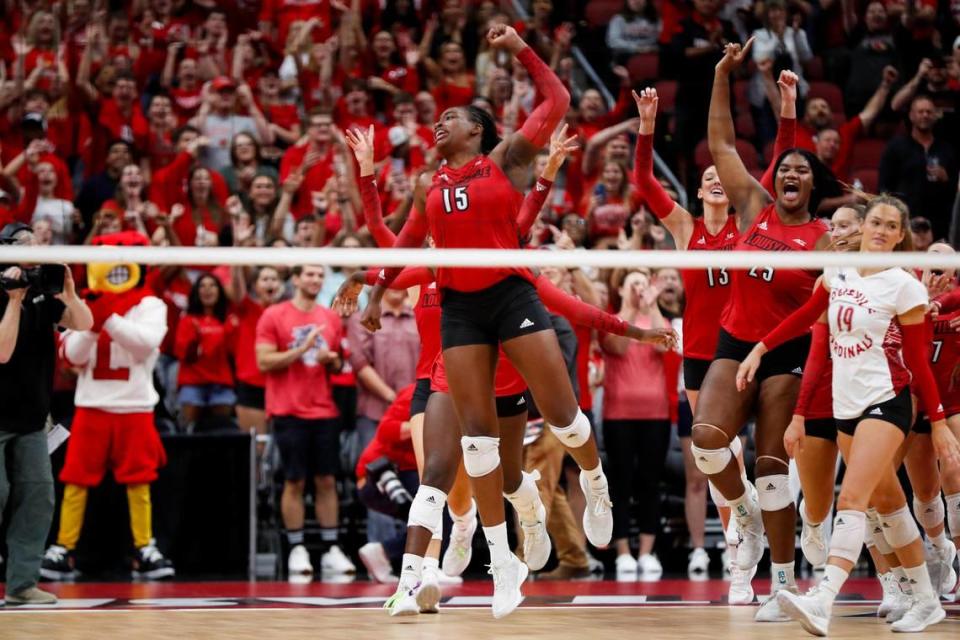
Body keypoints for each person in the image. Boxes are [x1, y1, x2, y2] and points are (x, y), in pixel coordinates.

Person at [360, 25, 614, 618]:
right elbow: (405, 242)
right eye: (438, 118)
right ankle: (504, 564)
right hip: (461, 310)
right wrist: (374, 292)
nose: (440, 123)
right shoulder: (428, 184)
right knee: (478, 444)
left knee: (563, 416)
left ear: (477, 128)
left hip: (511, 299)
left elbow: (556, 101)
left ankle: (595, 482)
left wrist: (519, 47)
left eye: (452, 116)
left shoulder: (504, 160)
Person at [735, 195, 960, 635]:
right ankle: (927, 600)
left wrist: (936, 424)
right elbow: (806, 320)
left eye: (890, 226)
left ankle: (823, 595)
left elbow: (918, 364)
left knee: (852, 499)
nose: (879, 230)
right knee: (890, 509)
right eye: (875, 221)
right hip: (845, 407)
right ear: (865, 226)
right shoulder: (837, 273)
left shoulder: (904, 286)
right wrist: (760, 351)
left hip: (886, 403)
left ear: (899, 237)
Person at [692, 39, 835, 623]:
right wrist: (723, 74)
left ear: (812, 184)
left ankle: (780, 581)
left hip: (788, 353)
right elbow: (721, 142)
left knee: (773, 469)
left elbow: (828, 307)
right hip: (734, 342)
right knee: (706, 438)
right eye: (786, 168)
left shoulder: (824, 237)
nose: (792, 174)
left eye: (803, 170)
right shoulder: (752, 205)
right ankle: (741, 515)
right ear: (774, 178)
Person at [631, 85, 756, 601]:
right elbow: (641, 180)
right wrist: (646, 126)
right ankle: (736, 544)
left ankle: (745, 552)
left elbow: (773, 177)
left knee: (742, 456)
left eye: (721, 177)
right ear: (701, 190)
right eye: (707, 179)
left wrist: (788, 111)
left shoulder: (749, 226)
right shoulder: (684, 228)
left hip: (742, 350)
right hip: (700, 355)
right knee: (713, 458)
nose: (715, 183)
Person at [42, 231, 173, 581]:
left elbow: (145, 346)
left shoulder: (151, 305)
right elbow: (70, 355)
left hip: (135, 407)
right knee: (75, 480)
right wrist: (91, 324)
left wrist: (109, 317)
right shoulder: (83, 302)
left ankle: (144, 546)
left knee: (139, 479)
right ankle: (64, 547)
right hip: (92, 405)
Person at [0, 223, 92, 604]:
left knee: (38, 498)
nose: (34, 246)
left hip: (33, 417)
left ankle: (21, 585)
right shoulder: (8, 293)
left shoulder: (44, 287)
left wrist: (70, 296)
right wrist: (13, 300)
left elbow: (85, 324)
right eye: (23, 242)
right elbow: (2, 353)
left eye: (36, 240)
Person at [255, 265, 355, 579]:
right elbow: (263, 361)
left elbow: (339, 363)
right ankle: (297, 547)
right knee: (294, 481)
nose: (315, 280)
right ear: (296, 279)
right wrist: (301, 349)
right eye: (309, 274)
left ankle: (330, 548)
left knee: (327, 480)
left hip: (323, 409)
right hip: (287, 410)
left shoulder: (330, 317)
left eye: (319, 275)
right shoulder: (274, 315)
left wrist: (332, 360)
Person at [601, 269, 672, 579]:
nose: (640, 289)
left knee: (650, 483)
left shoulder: (656, 318)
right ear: (621, 288)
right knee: (620, 482)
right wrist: (631, 307)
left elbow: (664, 344)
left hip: (655, 413)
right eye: (634, 284)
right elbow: (615, 346)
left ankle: (646, 551)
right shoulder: (612, 319)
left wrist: (651, 305)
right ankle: (623, 552)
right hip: (619, 414)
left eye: (644, 283)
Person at [878, 95, 959, 239]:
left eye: (929, 112)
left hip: (939, 224)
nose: (925, 115)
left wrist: (946, 178)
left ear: (935, 116)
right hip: (904, 221)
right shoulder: (896, 147)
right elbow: (884, 186)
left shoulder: (947, 149)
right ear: (911, 115)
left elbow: (956, 190)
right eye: (920, 111)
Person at [173, 274, 237, 430]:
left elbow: (233, 351)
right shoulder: (187, 320)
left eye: (212, 285)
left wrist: (205, 338)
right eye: (202, 286)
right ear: (196, 291)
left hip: (221, 383)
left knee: (223, 431)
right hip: (192, 383)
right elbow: (184, 354)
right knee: (188, 433)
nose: (207, 290)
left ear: (220, 291)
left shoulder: (230, 319)